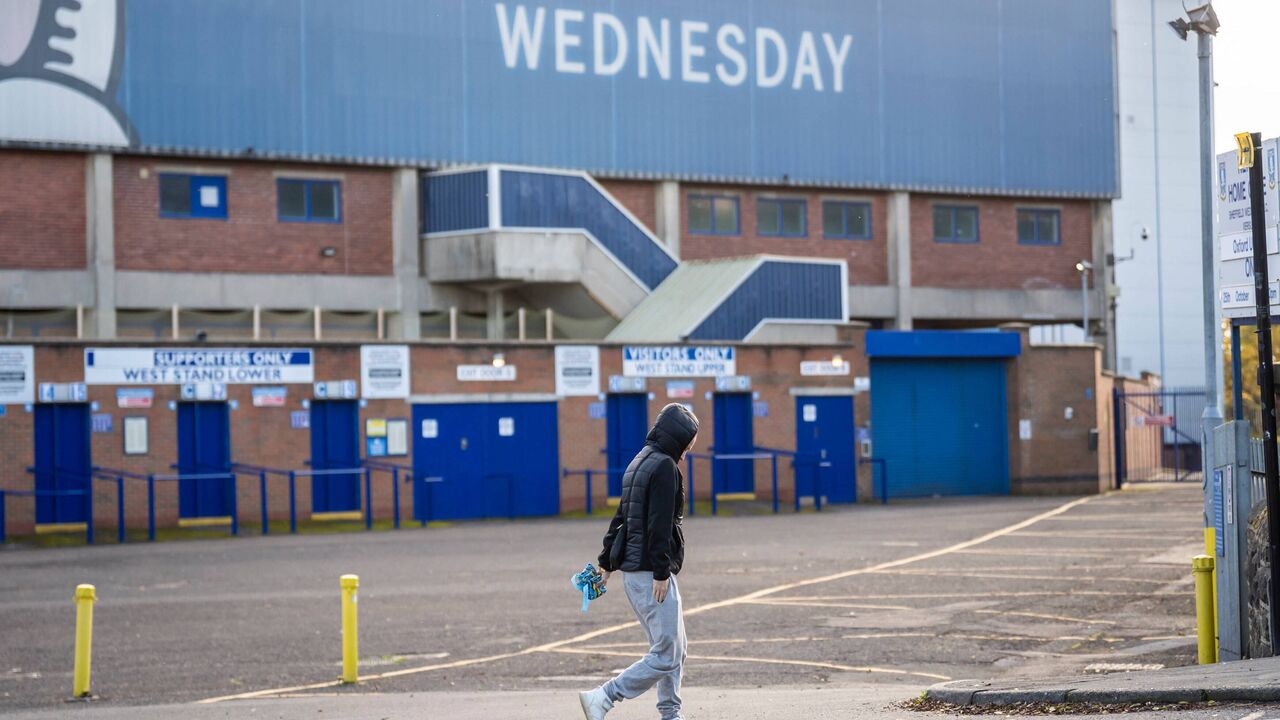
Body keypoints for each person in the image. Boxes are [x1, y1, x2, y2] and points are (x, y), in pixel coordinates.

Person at [580, 403, 698, 720]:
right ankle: (603, 697)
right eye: (688, 443)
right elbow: (658, 523)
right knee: (666, 654)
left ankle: (670, 714)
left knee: (676, 649)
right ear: (678, 437)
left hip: (638, 572)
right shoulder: (664, 467)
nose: (687, 451)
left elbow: (621, 517)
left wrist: (605, 563)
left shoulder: (639, 462)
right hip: (651, 573)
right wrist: (661, 571)